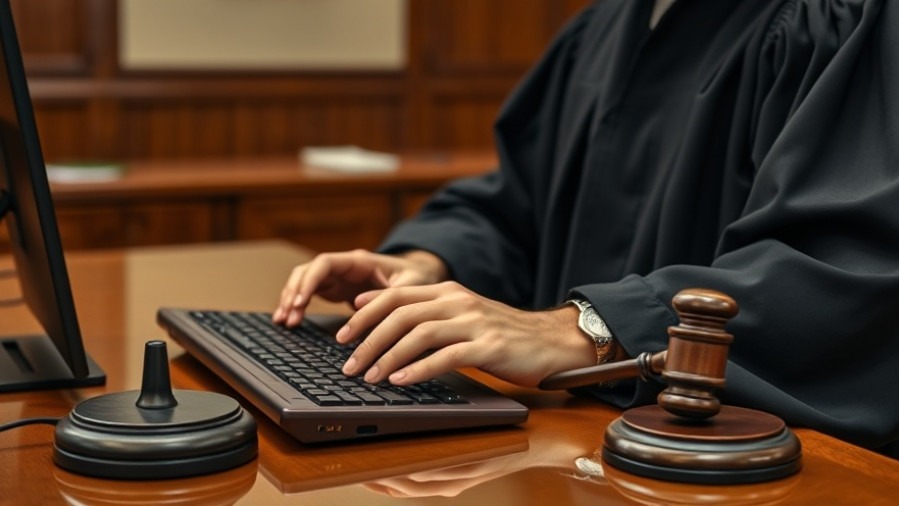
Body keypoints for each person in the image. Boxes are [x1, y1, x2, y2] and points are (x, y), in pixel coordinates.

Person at [273, 0, 899, 457]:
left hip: (737, 469)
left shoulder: (843, 21)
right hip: (573, 448)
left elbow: (846, 265)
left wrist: (587, 331)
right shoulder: (603, 27)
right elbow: (516, 206)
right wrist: (425, 261)